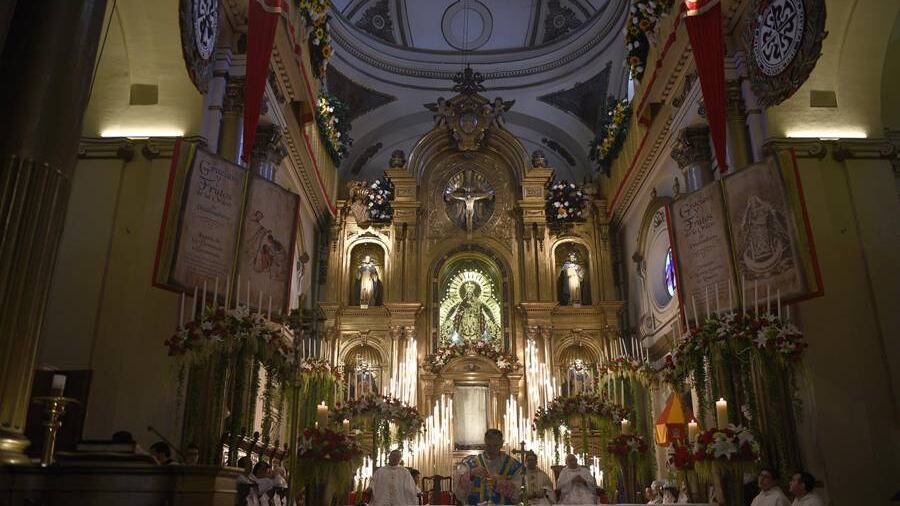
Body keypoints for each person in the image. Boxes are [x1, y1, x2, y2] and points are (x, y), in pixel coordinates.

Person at [453, 429, 523, 504]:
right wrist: (471, 474)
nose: (492, 449)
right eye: (488, 445)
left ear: (501, 444)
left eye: (495, 445)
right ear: (485, 443)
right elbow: (459, 494)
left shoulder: (513, 465)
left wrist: (497, 483)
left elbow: (517, 495)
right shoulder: (471, 464)